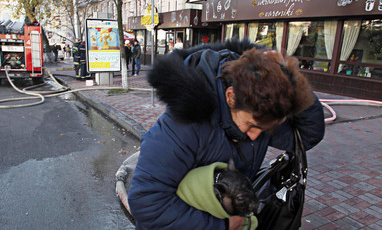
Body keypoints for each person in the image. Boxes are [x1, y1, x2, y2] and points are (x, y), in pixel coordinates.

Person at [128, 38, 325, 229]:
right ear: (231, 96)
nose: (256, 136)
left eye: (264, 130)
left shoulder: (260, 112)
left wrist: (289, 80)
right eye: (251, 126)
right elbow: (145, 201)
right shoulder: (184, 124)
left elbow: (308, 135)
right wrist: (221, 226)